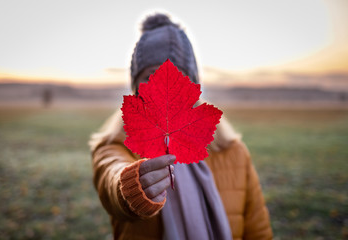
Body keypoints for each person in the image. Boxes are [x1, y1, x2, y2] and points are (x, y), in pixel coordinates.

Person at [90, 13, 273, 240]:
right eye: (149, 76)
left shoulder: (234, 152)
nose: (161, 85)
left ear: (194, 86)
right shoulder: (115, 144)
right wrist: (131, 186)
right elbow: (111, 175)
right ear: (136, 88)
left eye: (176, 75)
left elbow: (258, 231)